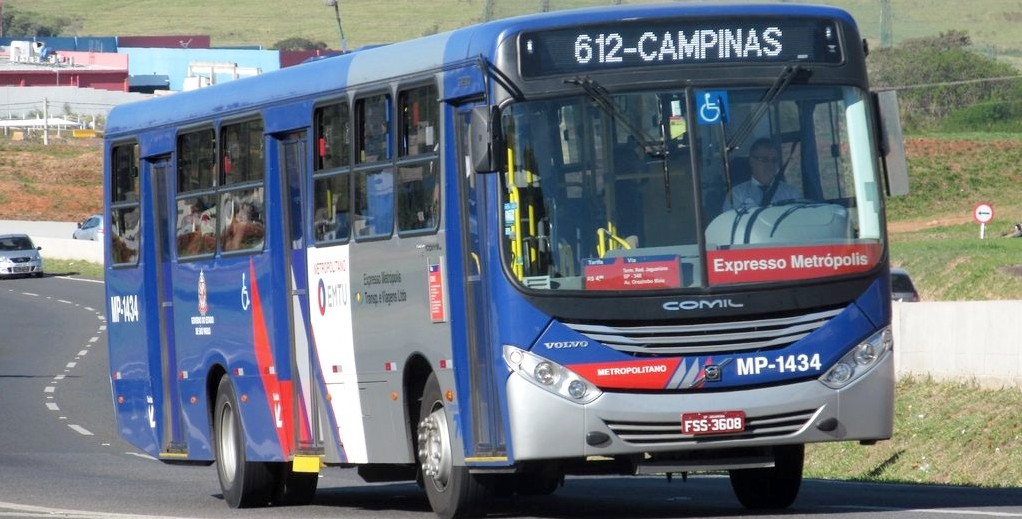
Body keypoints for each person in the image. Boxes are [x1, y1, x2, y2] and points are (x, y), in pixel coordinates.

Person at [722, 137, 801, 212]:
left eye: (774, 160)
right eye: (765, 160)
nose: (770, 165)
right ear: (752, 161)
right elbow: (730, 224)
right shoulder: (737, 195)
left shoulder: (791, 194)